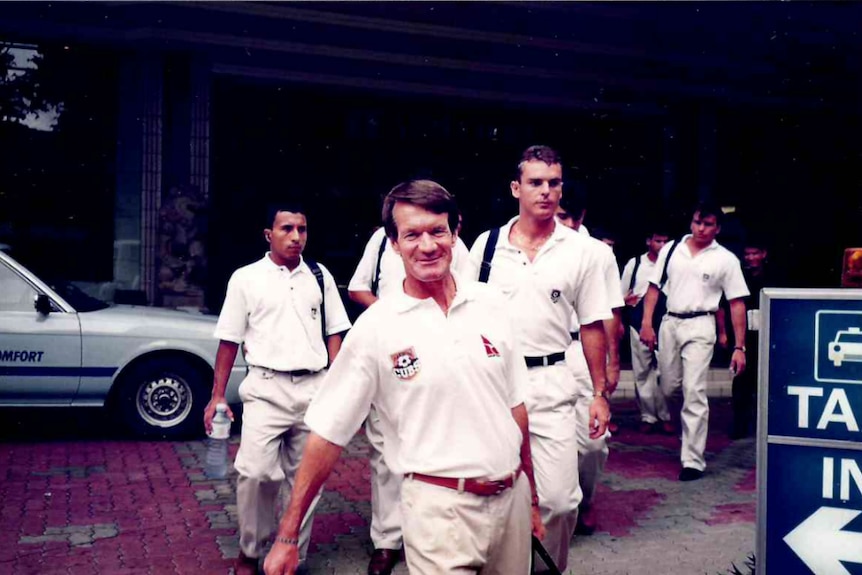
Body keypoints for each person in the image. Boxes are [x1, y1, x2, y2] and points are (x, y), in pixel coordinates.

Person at [263, 180, 544, 575]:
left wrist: (531, 500)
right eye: (412, 234)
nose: (427, 246)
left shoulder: (491, 304)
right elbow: (327, 434)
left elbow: (516, 410)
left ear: (455, 233)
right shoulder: (377, 327)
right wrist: (288, 535)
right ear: (393, 243)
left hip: (510, 502)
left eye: (437, 231)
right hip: (438, 512)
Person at [468, 145, 612, 572]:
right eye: (535, 183)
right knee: (492, 492)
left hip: (551, 382)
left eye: (553, 183)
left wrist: (600, 393)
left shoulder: (580, 251)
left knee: (561, 501)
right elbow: (464, 311)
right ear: (516, 188)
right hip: (493, 384)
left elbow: (591, 325)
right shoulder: (486, 246)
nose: (545, 192)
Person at [204, 203, 352, 575]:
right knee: (253, 472)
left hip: (314, 388)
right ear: (269, 235)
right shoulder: (245, 278)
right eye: (287, 229)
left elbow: (336, 330)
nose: (296, 237)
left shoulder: (318, 275)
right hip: (265, 388)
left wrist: (335, 382)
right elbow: (228, 340)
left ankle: (289, 556)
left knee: (304, 481)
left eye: (302, 229)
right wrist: (217, 395)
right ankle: (250, 551)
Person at [346, 211, 472, 575]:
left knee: (440, 443)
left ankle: (441, 529)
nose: (427, 241)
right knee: (386, 453)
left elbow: (467, 299)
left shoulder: (456, 249)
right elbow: (357, 287)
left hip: (439, 355)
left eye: (437, 226)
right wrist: (396, 317)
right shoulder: (380, 243)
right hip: (393, 352)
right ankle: (386, 540)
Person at [638, 201, 749, 482]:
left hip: (702, 324)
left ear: (717, 228)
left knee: (694, 390)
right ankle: (684, 430)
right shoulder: (671, 250)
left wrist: (739, 346)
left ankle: (693, 460)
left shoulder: (725, 259)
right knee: (669, 388)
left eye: (708, 224)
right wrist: (647, 323)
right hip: (670, 323)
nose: (701, 228)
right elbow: (653, 288)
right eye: (698, 222)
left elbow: (736, 303)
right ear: (691, 222)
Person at [554, 197, 624, 537]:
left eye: (567, 216)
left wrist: (613, 364)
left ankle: (587, 499)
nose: (560, 222)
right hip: (539, 356)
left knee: (594, 443)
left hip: (584, 351)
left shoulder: (597, 253)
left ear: (581, 215)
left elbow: (610, 313)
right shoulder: (526, 246)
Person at [620, 227, 673, 434]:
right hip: (637, 320)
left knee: (665, 370)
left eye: (665, 241)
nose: (662, 246)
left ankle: (666, 415)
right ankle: (648, 416)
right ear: (648, 241)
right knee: (642, 370)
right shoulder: (635, 264)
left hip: (665, 320)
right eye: (658, 241)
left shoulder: (672, 264)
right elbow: (620, 295)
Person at [730, 237, 771, 438]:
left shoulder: (773, 277)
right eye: (747, 254)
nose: (751, 258)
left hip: (769, 335)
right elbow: (724, 305)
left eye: (755, 253)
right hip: (745, 337)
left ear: (763, 254)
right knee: (741, 380)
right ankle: (740, 426)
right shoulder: (739, 277)